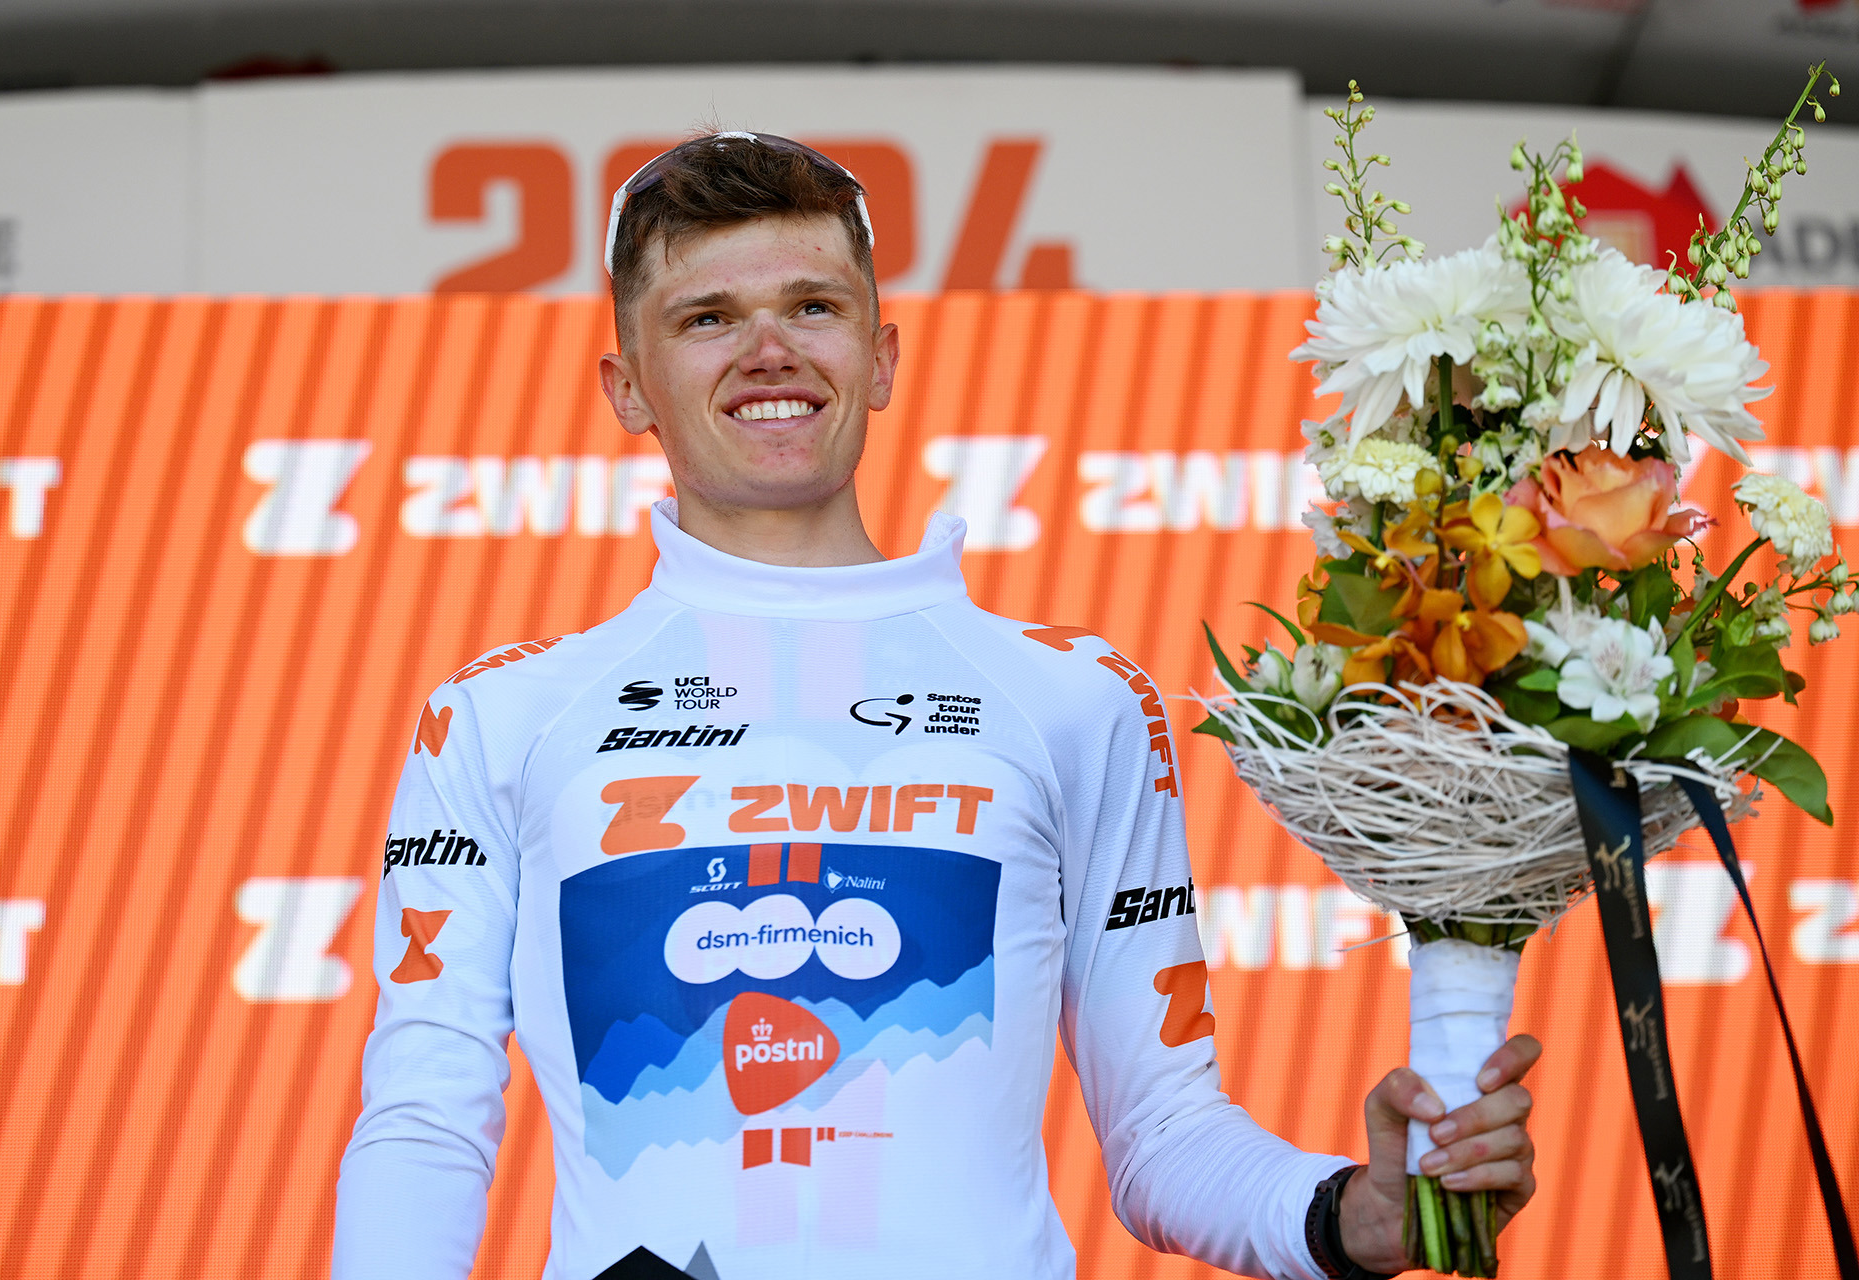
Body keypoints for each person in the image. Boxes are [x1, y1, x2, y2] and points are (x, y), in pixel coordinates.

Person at [333, 131, 1540, 1280]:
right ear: (628, 385)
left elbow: (1165, 1134)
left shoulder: (1077, 697)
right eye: (708, 319)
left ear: (883, 355)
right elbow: (426, 1123)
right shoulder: (499, 716)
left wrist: (1349, 1211)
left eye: (814, 306)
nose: (770, 351)